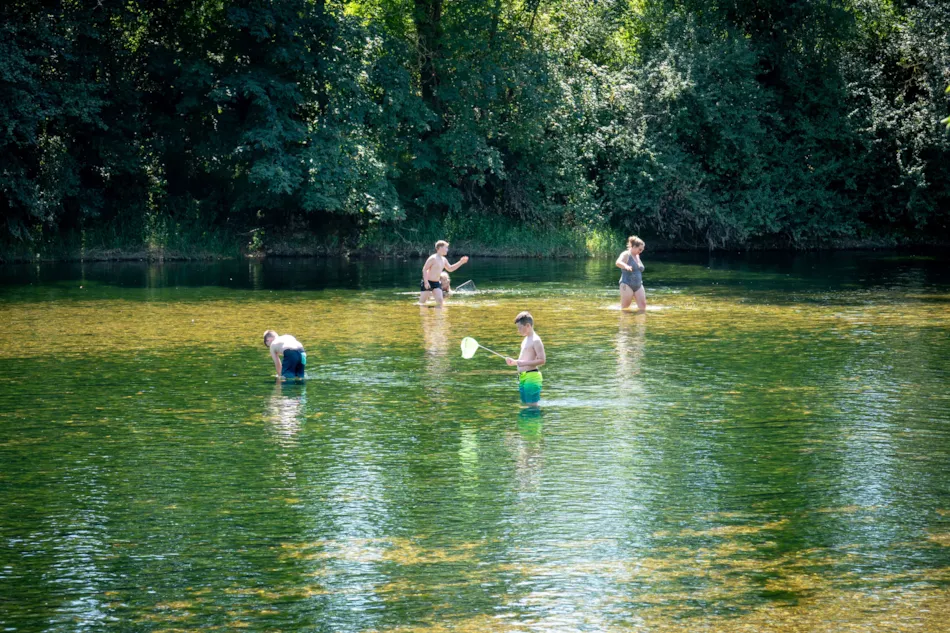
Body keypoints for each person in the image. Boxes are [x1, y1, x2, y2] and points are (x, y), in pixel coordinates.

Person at [505, 311, 546, 406]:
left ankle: (535, 421)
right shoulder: (525, 339)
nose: (518, 330)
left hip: (532, 376)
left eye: (520, 327)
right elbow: (524, 359)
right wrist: (514, 362)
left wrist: (522, 363)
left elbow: (542, 360)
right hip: (523, 376)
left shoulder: (536, 340)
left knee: (532, 406)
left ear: (528, 325)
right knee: (526, 405)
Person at [418, 240, 469, 306]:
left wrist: (461, 262)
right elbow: (424, 269)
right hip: (428, 282)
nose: (447, 250)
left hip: (436, 283)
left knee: (440, 302)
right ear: (440, 248)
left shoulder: (444, 259)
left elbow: (450, 269)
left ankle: (439, 316)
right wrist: (426, 282)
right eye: (446, 247)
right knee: (422, 303)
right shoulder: (433, 258)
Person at [616, 235, 647, 311]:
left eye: (642, 250)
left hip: (638, 285)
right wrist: (625, 266)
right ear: (633, 246)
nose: (641, 251)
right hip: (626, 284)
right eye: (639, 249)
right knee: (625, 308)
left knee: (643, 307)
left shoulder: (637, 256)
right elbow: (618, 262)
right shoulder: (626, 254)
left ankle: (640, 322)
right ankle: (625, 322)